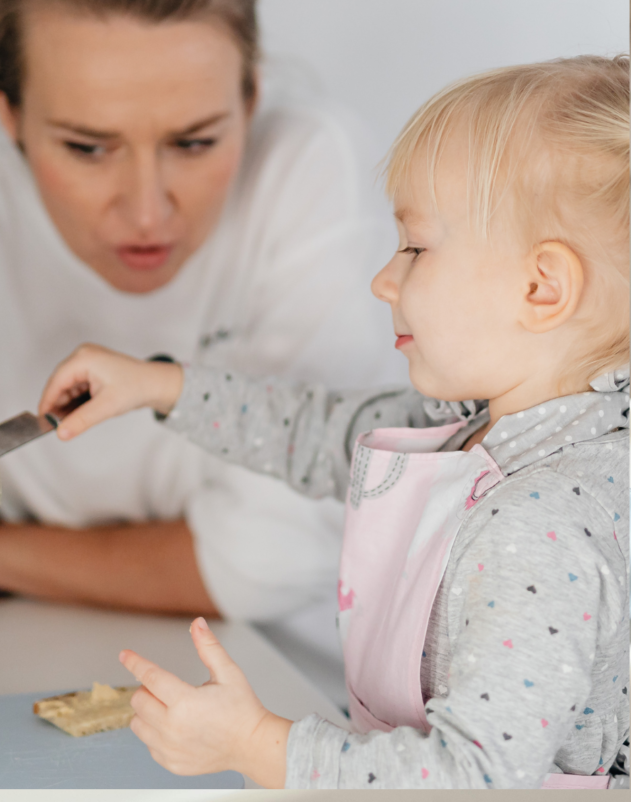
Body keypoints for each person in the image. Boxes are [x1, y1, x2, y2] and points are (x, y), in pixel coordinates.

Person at [38, 55, 629, 789]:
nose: (384, 279)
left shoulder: (537, 528)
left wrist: (257, 744)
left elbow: (476, 778)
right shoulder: (467, 428)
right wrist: (159, 386)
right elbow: (311, 432)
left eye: (415, 247)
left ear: (542, 287)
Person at [0, 0, 403, 671]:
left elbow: (279, 558)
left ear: (251, 102)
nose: (148, 212)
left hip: (278, 681)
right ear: (7, 115)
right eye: (88, 148)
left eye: (195, 143)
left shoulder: (305, 164)